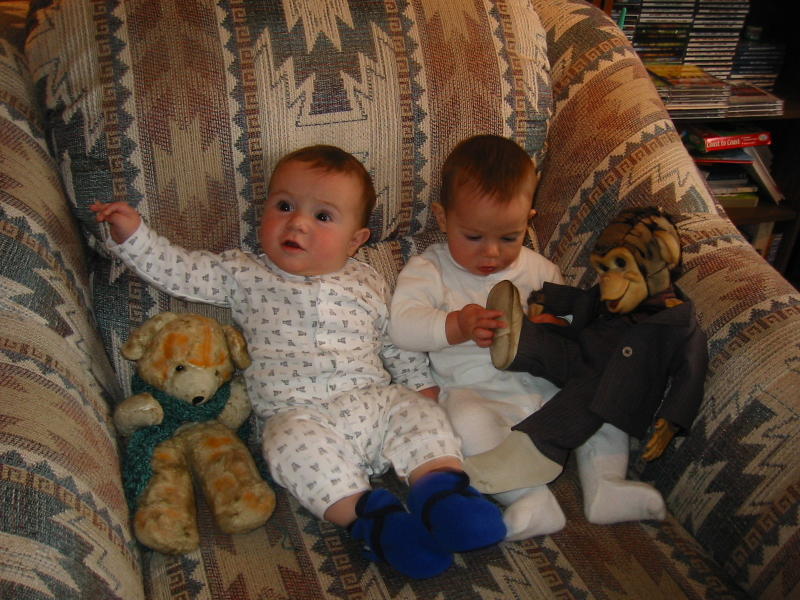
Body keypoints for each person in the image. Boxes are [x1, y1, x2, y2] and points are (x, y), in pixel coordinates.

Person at [91, 144, 505, 579]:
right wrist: (134, 235)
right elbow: (182, 270)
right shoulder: (244, 272)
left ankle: (441, 494)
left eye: (323, 216)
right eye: (284, 206)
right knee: (286, 445)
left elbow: (396, 343)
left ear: (356, 240)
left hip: (373, 399)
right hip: (297, 413)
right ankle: (373, 521)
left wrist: (421, 387)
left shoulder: (368, 280)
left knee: (419, 413)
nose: (298, 223)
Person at [388, 134, 569, 540]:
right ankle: (533, 500)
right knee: (465, 424)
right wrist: (456, 325)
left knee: (596, 400)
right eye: (473, 237)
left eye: (509, 237)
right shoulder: (429, 270)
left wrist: (556, 326)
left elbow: (574, 330)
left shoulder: (542, 272)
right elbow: (401, 326)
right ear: (442, 218)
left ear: (528, 220)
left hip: (541, 393)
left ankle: (605, 481)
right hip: (474, 393)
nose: (491, 253)